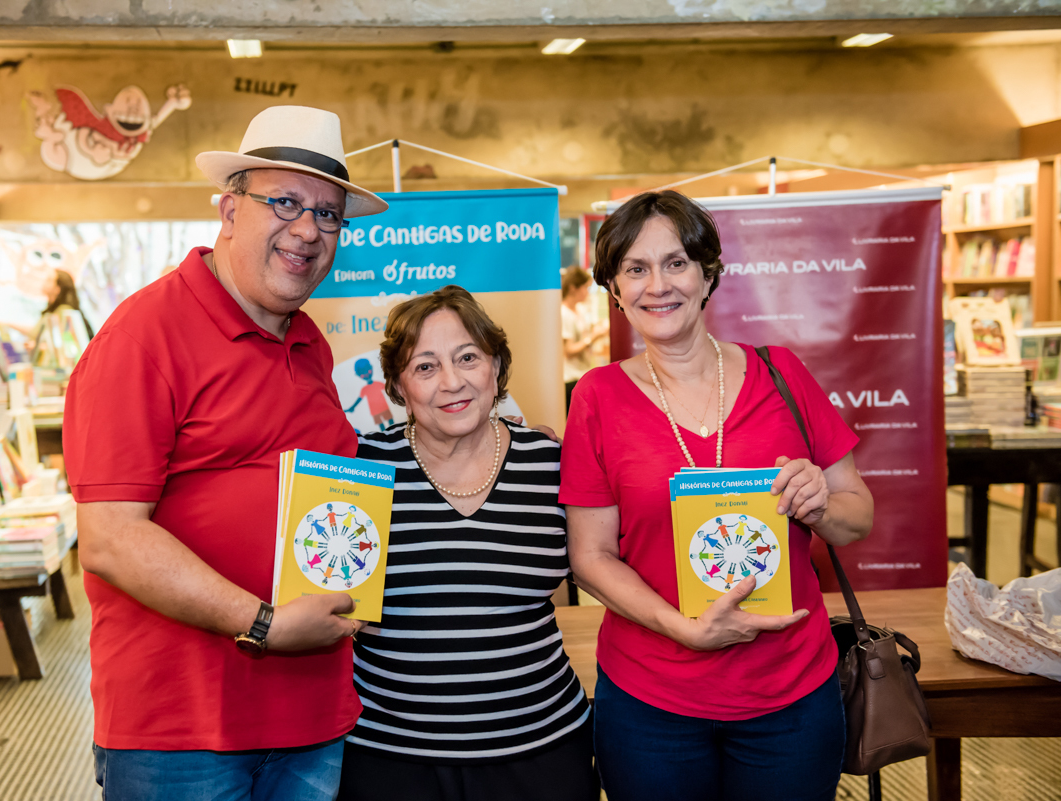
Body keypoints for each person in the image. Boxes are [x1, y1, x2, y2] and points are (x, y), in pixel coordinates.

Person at [62, 105, 389, 801]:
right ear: (229, 208)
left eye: (329, 215)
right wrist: (264, 624)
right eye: (285, 202)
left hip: (310, 715)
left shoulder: (309, 343)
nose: (307, 229)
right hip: (180, 730)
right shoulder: (143, 335)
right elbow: (110, 538)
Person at [560, 190, 874, 801]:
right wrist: (681, 629)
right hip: (652, 702)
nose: (658, 285)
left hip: (790, 694)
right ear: (615, 288)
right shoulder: (597, 397)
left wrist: (821, 503)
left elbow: (856, 517)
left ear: (708, 274)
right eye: (635, 268)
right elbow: (590, 556)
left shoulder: (780, 373)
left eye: (676, 262)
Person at [340, 286, 597, 801]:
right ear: (396, 385)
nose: (452, 382)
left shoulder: (552, 464)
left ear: (496, 366)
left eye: (467, 358)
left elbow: (610, 562)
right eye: (425, 367)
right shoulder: (359, 470)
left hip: (541, 751)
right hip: (391, 759)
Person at [560, 265, 607, 410]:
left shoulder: (579, 310)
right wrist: (592, 338)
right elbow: (568, 350)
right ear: (574, 288)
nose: (587, 292)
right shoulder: (564, 313)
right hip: (570, 378)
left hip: (582, 374)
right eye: (585, 288)